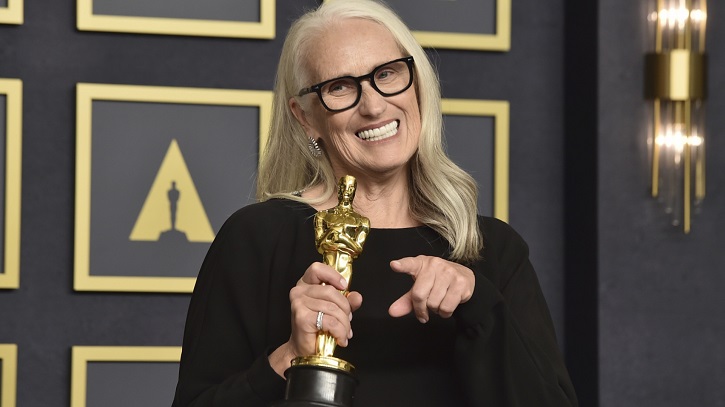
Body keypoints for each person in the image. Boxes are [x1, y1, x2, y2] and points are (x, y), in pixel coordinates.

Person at [172, 0, 578, 406]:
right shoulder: (255, 239)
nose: (373, 105)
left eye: (386, 74)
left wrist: (480, 305)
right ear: (305, 117)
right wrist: (289, 357)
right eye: (340, 87)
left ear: (417, 83)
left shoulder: (492, 250)